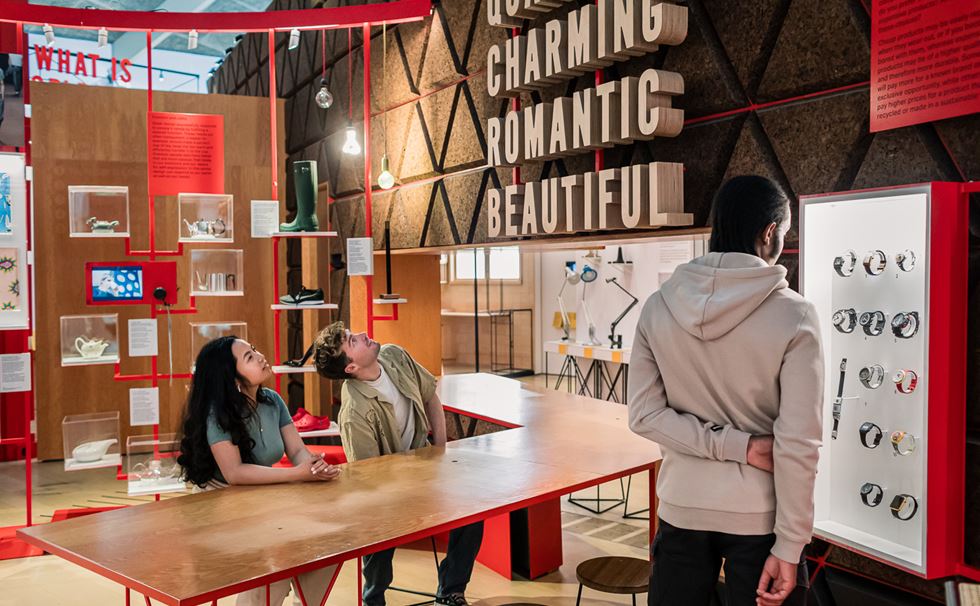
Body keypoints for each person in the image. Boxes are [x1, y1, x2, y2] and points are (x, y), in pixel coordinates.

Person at [628, 175, 823, 606]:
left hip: (681, 506)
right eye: (784, 234)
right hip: (760, 518)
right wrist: (791, 545)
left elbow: (643, 415)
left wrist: (733, 446)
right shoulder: (795, 315)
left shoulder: (657, 306)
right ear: (769, 232)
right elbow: (798, 443)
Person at [313, 321, 484, 606]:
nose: (362, 335)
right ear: (351, 368)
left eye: (352, 334)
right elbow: (369, 478)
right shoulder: (354, 412)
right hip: (387, 490)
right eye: (352, 341)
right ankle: (374, 598)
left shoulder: (395, 356)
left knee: (474, 509)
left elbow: (431, 396)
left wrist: (441, 454)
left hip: (425, 467)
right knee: (377, 529)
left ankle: (452, 589)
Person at [177, 336, 341, 606]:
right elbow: (235, 474)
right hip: (219, 504)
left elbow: (297, 451)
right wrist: (298, 474)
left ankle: (306, 600)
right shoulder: (216, 414)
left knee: (328, 540)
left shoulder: (272, 401)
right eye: (249, 357)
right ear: (233, 378)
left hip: (258, 495)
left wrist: (313, 465)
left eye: (254, 349)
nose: (261, 355)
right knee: (274, 559)